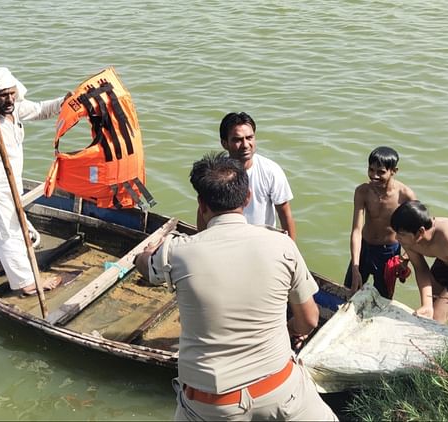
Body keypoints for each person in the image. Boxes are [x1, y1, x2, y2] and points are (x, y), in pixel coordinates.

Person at [135, 152, 337, 421]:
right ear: (248, 197)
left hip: (212, 404)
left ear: (201, 204)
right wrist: (290, 330)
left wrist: (149, 251)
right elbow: (309, 320)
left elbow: (143, 265)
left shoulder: (177, 253)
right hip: (281, 391)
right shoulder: (282, 244)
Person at [0, 67, 66, 295]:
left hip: (8, 181)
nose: (9, 99)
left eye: (12, 93)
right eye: (3, 95)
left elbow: (41, 110)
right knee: (9, 231)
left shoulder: (15, 110)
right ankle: (25, 282)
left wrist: (66, 101)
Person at [196, 112, 296, 240]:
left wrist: (292, 249)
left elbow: (285, 214)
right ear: (224, 143)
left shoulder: (271, 171)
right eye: (237, 140)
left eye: (249, 137)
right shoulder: (216, 174)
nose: (245, 145)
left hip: (261, 241)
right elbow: (202, 212)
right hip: (224, 241)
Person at [343, 146, 417, 299]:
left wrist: (404, 258)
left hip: (388, 252)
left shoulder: (405, 196)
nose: (374, 176)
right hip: (364, 249)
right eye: (371, 170)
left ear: (394, 171)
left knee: (383, 299)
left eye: (381, 172)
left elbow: (418, 231)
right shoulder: (362, 192)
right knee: (349, 291)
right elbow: (356, 230)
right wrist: (356, 267)